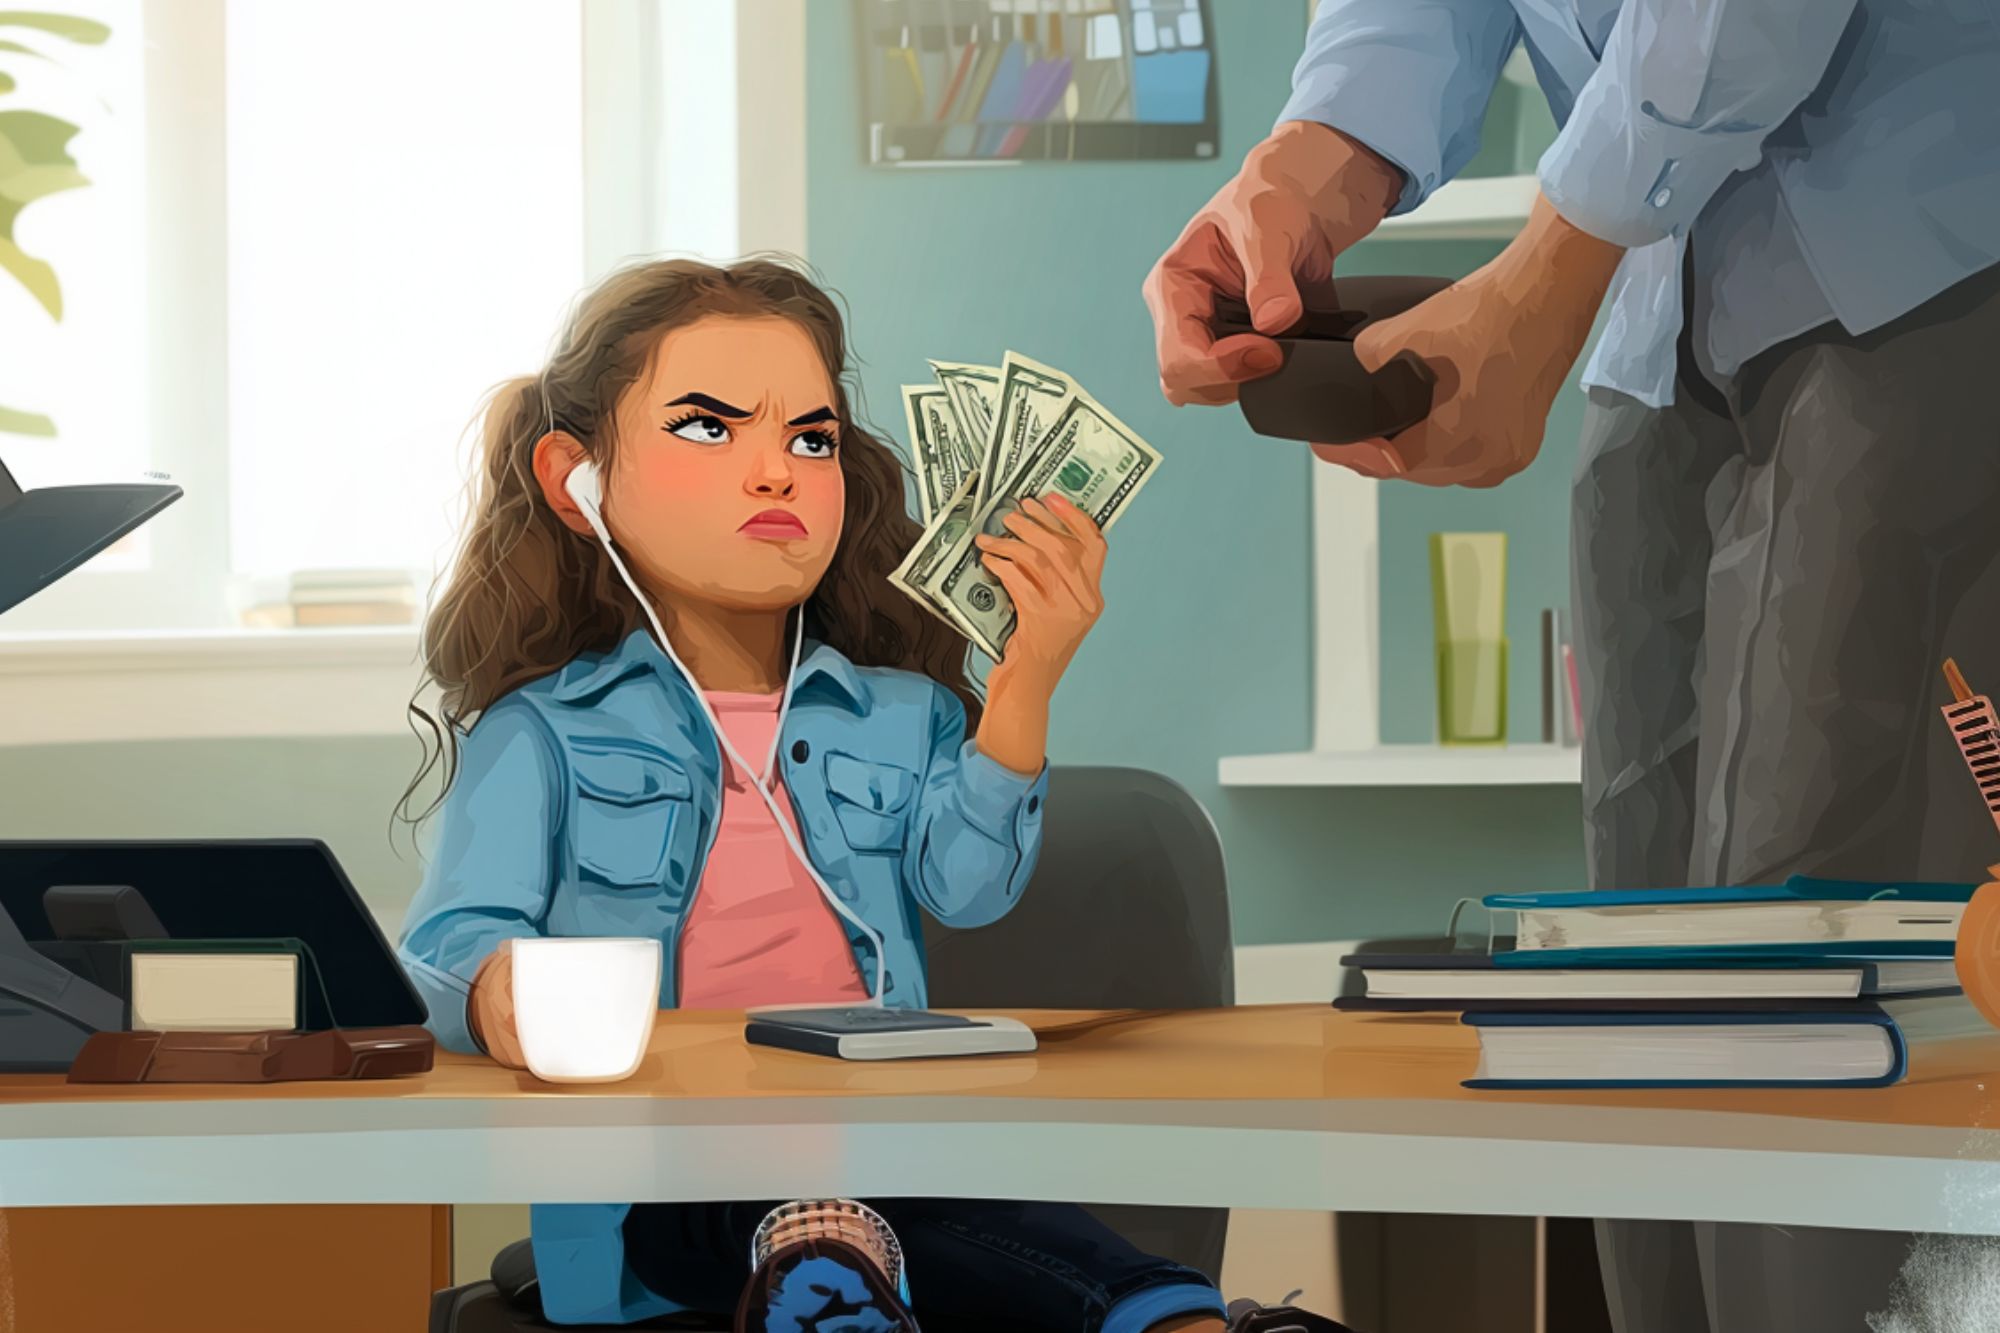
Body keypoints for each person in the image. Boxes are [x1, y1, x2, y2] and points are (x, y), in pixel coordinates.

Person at [1145, 3, 2000, 1331]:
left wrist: (1553, 269)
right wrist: (1309, 164)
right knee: (1648, 1006)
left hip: (1934, 268)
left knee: (1822, 994)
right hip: (1664, 313)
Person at [392, 257, 1251, 1332]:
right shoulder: (540, 734)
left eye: (811, 439)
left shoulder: (904, 714)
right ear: (577, 478)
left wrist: (1025, 676)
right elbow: (445, 944)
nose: (776, 474)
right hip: (668, 1178)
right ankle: (832, 1270)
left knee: (1074, 1258)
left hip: (896, 1148)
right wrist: (502, 992)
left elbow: (970, 889)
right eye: (709, 429)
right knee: (822, 1208)